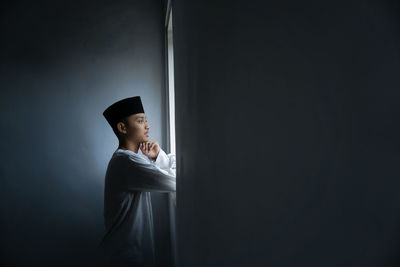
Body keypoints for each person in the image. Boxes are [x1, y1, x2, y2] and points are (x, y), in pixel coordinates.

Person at [98, 96, 176, 267]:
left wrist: (156, 156)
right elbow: (176, 181)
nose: (147, 126)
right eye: (140, 121)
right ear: (122, 127)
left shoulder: (125, 160)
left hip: (124, 255)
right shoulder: (127, 162)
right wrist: (159, 156)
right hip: (124, 257)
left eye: (146, 120)